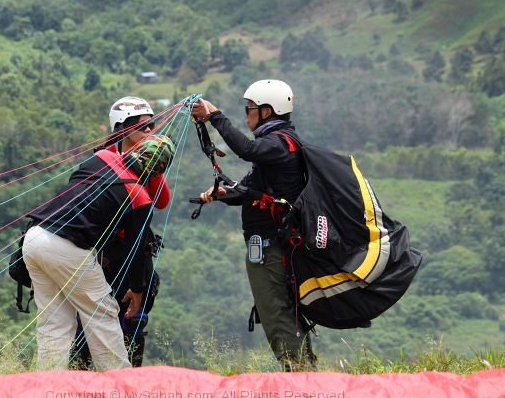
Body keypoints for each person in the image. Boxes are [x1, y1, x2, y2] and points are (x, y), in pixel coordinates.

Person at [22, 136, 174, 371]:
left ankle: (47, 389)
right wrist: (137, 289)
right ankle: (120, 387)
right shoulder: (140, 198)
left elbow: (77, 183)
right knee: (103, 314)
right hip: (66, 248)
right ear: (156, 173)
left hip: (34, 237)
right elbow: (134, 251)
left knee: (55, 323)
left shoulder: (101, 158)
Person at [191, 80, 313, 370]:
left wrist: (215, 116)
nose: (246, 116)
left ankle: (300, 372)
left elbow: (246, 149)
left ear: (267, 111)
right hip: (272, 245)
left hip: (271, 248)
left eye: (250, 109)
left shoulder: (278, 143)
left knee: (274, 309)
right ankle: (302, 370)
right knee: (279, 307)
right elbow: (253, 191)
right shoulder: (277, 146)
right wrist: (223, 195)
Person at [72, 96, 171, 368]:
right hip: (109, 252)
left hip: (138, 249)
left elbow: (162, 200)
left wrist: (152, 168)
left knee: (136, 314)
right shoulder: (107, 161)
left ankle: (130, 377)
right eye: (143, 127)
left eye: (152, 126)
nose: (150, 132)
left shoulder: (148, 163)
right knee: (98, 315)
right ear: (123, 129)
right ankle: (81, 375)